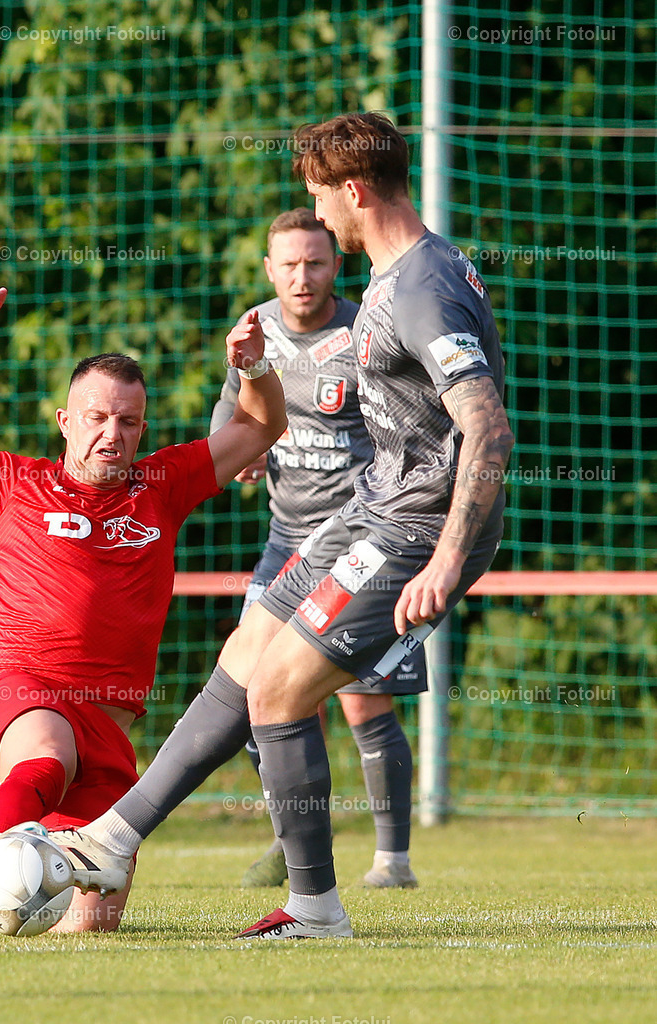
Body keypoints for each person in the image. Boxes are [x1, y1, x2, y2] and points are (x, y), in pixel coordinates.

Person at [47, 111, 514, 939]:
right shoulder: (400, 270)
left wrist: (444, 560)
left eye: (319, 200)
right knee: (247, 654)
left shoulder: (423, 287)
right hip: (370, 507)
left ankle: (315, 908)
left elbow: (487, 426)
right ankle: (111, 839)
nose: (318, 216)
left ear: (354, 190)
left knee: (281, 691)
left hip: (412, 529)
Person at [0, 284, 286, 932]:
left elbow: (260, 425)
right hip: (24, 693)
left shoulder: (162, 486)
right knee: (45, 758)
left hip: (108, 727)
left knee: (91, 924)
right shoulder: (10, 483)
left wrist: (253, 367)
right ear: (65, 420)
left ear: (143, 427)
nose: (112, 434)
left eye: (128, 421)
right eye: (96, 417)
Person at [210, 207, 423, 891]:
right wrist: (231, 449)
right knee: (249, 691)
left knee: (365, 701)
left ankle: (393, 861)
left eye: (316, 262)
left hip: (364, 544)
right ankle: (295, 835)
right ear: (270, 270)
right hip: (286, 547)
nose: (303, 277)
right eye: (290, 264)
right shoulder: (256, 328)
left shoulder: (365, 330)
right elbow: (231, 407)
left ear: (336, 265)